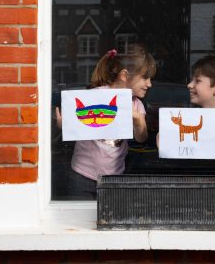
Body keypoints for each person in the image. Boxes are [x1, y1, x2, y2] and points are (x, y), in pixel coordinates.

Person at [56, 45, 156, 199]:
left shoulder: (136, 104)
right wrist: (65, 125)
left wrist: (137, 120)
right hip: (82, 174)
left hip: (114, 177)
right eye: (144, 78)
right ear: (124, 75)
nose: (149, 84)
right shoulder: (95, 95)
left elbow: (141, 137)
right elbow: (76, 124)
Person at [157, 54, 215, 177]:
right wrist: (167, 150)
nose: (189, 85)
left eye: (198, 80)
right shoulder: (190, 119)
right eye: (192, 80)